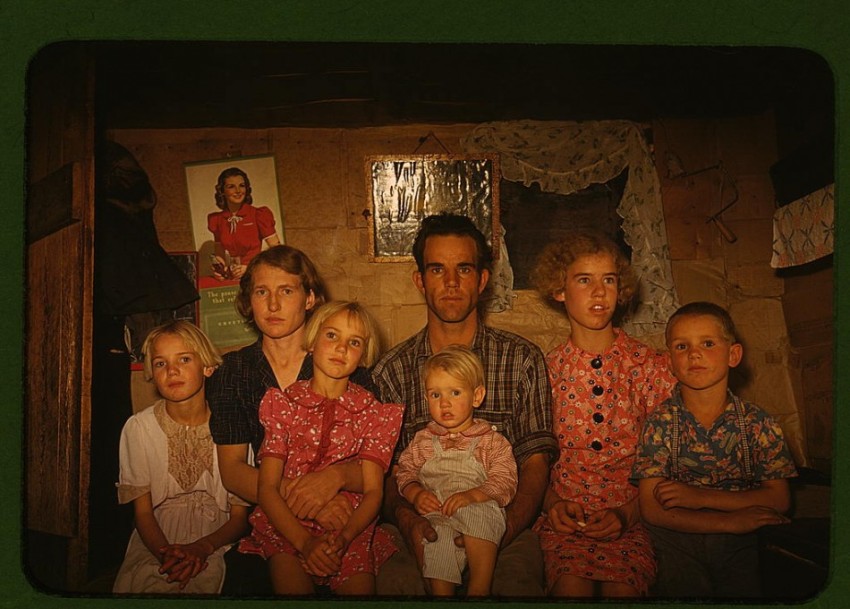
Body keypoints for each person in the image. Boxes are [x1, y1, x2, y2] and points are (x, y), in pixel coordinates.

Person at [372, 213, 558, 596]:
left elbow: (535, 463)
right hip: (423, 522)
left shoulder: (522, 359)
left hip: (503, 522)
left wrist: (500, 530)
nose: (452, 282)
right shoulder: (391, 371)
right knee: (396, 585)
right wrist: (410, 523)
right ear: (420, 281)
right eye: (437, 269)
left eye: (464, 269)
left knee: (515, 588)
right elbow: (385, 473)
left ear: (482, 280)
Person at [207, 245, 376, 594]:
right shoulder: (233, 373)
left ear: (309, 298)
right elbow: (233, 471)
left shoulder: (344, 365)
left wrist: (336, 478)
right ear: (248, 300)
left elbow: (378, 467)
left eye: (286, 291)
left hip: (345, 516)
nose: (273, 305)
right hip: (273, 522)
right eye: (261, 292)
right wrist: (309, 501)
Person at [529, 230, 676, 597]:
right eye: (584, 280)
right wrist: (552, 504)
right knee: (570, 588)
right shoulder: (545, 371)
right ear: (559, 290)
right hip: (564, 524)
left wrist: (628, 513)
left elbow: (670, 460)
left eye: (608, 280)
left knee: (623, 590)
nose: (599, 292)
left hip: (634, 518)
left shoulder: (648, 366)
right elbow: (530, 461)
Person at [237, 301, 404, 594]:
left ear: (363, 356)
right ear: (312, 342)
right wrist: (304, 543)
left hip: (349, 527)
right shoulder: (283, 405)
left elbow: (373, 492)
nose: (341, 348)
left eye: (354, 342)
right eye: (332, 335)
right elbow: (267, 489)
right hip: (286, 526)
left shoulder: (374, 414)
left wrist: (345, 538)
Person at [632, 301, 797, 598]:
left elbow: (779, 499)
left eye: (707, 343)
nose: (694, 354)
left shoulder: (759, 423)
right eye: (682, 346)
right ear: (669, 362)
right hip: (675, 538)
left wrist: (700, 498)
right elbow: (652, 509)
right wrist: (728, 520)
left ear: (733, 355)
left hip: (740, 539)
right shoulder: (659, 423)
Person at [113, 321, 249, 593]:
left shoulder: (234, 426)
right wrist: (167, 556)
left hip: (217, 539)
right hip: (156, 538)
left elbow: (239, 518)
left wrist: (203, 547)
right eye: (160, 363)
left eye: (184, 359)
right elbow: (143, 513)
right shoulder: (138, 428)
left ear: (207, 367)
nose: (172, 370)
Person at [396, 345, 518, 597]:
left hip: (477, 508)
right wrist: (415, 493)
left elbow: (505, 480)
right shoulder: (423, 440)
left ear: (477, 396)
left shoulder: (490, 441)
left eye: (455, 392)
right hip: (439, 513)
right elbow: (404, 471)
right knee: (435, 538)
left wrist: (474, 495)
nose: (445, 403)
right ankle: (442, 595)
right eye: (435, 394)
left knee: (480, 515)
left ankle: (479, 588)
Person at [207, 167, 281, 279]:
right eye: (231, 186)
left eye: (241, 185)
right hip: (233, 275)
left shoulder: (259, 214)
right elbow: (219, 254)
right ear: (222, 191)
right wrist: (220, 270)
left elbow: (278, 252)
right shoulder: (217, 220)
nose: (238, 191)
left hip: (256, 274)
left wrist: (250, 268)